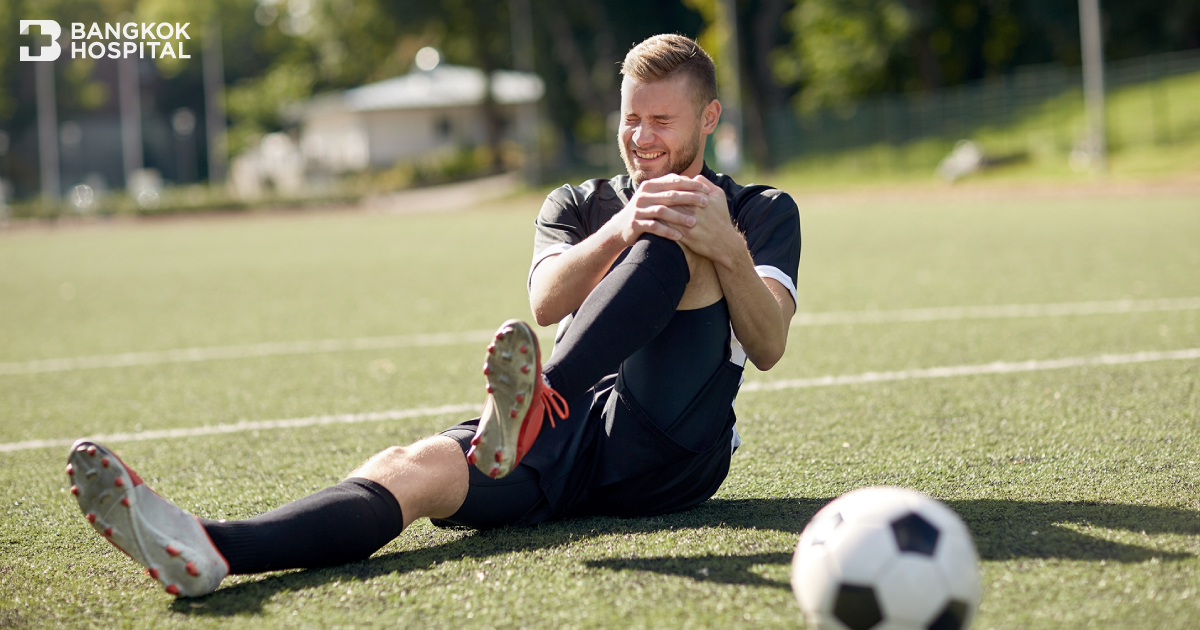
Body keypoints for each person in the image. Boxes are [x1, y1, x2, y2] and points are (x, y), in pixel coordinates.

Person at [65, 34, 800, 598]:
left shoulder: (762, 210)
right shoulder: (576, 203)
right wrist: (620, 228)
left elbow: (767, 346)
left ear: (708, 117)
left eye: (661, 122)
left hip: (666, 445)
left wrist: (726, 249)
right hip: (564, 438)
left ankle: (539, 406)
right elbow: (546, 301)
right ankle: (211, 548)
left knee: (686, 232)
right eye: (630, 119)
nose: (641, 139)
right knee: (412, 469)